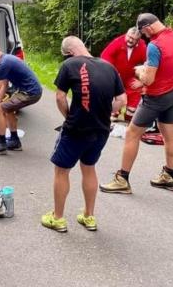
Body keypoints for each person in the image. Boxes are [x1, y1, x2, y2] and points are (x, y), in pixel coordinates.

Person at [100, 13, 173, 195]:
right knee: (168, 133)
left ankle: (122, 180)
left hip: (155, 97)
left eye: (143, 33)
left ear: (148, 28)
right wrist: (167, 73)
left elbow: (148, 80)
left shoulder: (154, 46)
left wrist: (139, 71)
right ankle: (169, 176)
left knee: (131, 133)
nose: (144, 36)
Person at [41, 36, 126, 233]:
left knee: (62, 171)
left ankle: (58, 218)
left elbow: (60, 96)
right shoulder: (108, 67)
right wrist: (105, 111)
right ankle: (89, 217)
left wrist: (68, 116)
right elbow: (121, 100)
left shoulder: (70, 64)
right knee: (89, 168)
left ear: (69, 52)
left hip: (77, 128)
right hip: (102, 130)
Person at [0, 39, 43, 154]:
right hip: (27, 91)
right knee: (6, 109)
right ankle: (15, 141)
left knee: (0, 110)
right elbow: (4, 86)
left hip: (30, 92)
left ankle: (1, 143)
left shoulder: (4, 63)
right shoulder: (5, 60)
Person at [100, 27, 147, 121]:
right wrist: (113, 73)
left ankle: (130, 117)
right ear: (126, 34)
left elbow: (149, 64)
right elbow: (105, 56)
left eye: (133, 39)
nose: (130, 40)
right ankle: (113, 113)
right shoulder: (117, 42)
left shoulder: (142, 46)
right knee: (113, 91)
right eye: (129, 37)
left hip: (130, 76)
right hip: (116, 75)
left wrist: (142, 82)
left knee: (136, 87)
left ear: (138, 40)